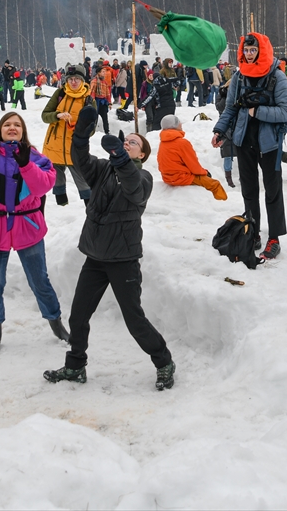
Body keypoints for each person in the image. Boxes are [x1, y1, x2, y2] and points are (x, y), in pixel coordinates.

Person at [43, 105, 174, 390]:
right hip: (96, 256)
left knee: (134, 320)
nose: (128, 143)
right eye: (126, 140)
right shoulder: (103, 169)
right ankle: (75, 366)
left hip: (123, 258)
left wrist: (119, 157)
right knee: (78, 315)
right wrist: (80, 135)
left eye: (133, 144)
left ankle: (164, 361)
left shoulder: (144, 178)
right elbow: (79, 160)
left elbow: (133, 188)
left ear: (142, 155)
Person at [0, 112, 68, 354]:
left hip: (28, 226)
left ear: (23, 130)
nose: (12, 128)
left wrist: (26, 165)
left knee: (40, 281)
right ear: (0, 130)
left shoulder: (36, 158)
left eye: (17, 125)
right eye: (7, 124)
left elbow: (42, 186)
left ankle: (56, 322)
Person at [212, 33, 287, 261]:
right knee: (248, 190)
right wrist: (219, 131)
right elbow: (230, 108)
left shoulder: (277, 76)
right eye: (246, 51)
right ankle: (253, 231)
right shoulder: (239, 77)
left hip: (270, 144)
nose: (249, 55)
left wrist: (257, 111)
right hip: (243, 140)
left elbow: (286, 111)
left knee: (273, 191)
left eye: (253, 51)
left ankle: (274, 238)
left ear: (262, 51)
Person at [41, 65, 93, 206]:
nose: (74, 82)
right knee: (57, 179)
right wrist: (57, 115)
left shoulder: (88, 100)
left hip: (75, 148)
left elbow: (92, 128)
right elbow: (45, 116)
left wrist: (79, 126)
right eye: (71, 79)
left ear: (82, 81)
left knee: (82, 179)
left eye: (77, 79)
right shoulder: (60, 94)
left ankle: (90, 208)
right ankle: (61, 207)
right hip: (54, 145)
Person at [158, 115, 226, 200]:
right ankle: (222, 203)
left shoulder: (163, 142)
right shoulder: (182, 143)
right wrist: (205, 173)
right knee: (215, 184)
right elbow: (193, 166)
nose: (181, 124)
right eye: (178, 122)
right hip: (180, 178)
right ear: (174, 125)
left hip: (167, 177)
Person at [90, 65, 114, 134]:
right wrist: (93, 102)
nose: (104, 73)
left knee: (105, 118)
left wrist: (109, 102)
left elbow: (107, 94)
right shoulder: (94, 81)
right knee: (95, 118)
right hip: (96, 101)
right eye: (103, 72)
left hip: (103, 102)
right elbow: (92, 92)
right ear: (98, 73)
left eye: (105, 72)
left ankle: (107, 131)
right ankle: (92, 131)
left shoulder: (104, 82)